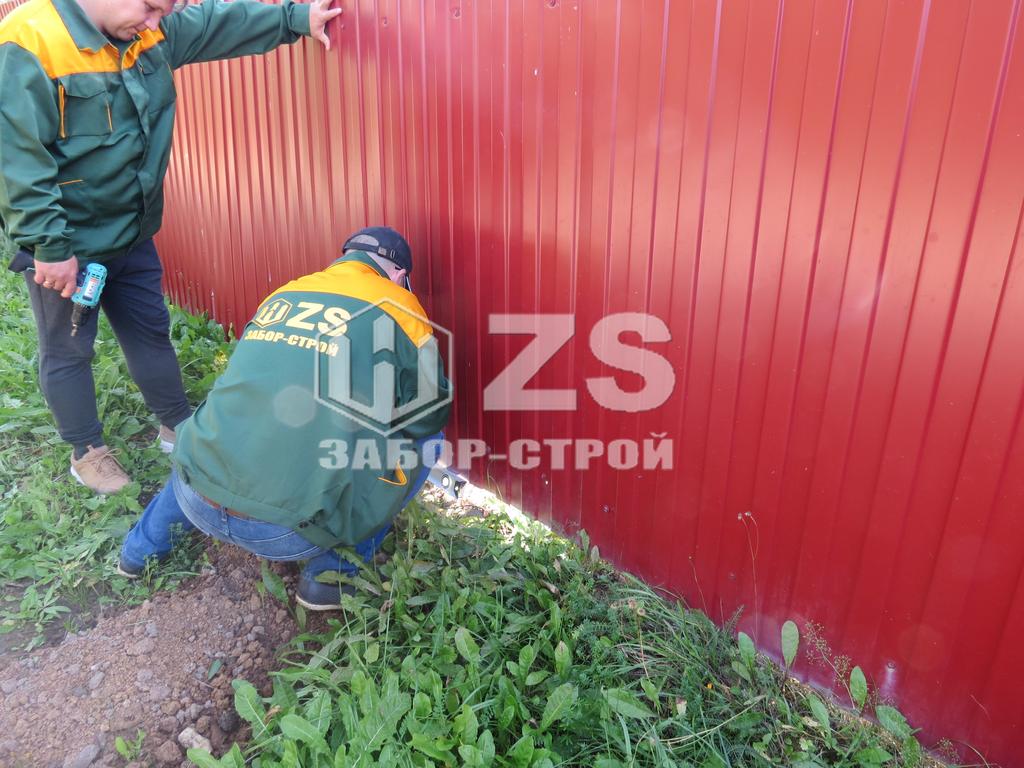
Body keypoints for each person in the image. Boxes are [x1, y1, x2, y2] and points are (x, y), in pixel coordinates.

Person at [0, 0, 343, 494]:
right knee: (69, 348)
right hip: (69, 245)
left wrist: (295, 19)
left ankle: (177, 425)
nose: (156, 25)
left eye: (165, 12)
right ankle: (87, 451)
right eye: (151, 8)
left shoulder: (144, 29)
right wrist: (49, 247)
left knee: (150, 331)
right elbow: (17, 159)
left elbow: (217, 24)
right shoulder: (30, 41)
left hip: (131, 232)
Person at [118, 227, 453, 610]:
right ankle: (330, 579)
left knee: (215, 428)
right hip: (284, 534)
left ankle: (137, 553)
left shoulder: (286, 293)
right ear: (398, 274)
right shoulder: (399, 305)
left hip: (195, 498)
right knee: (429, 441)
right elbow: (428, 414)